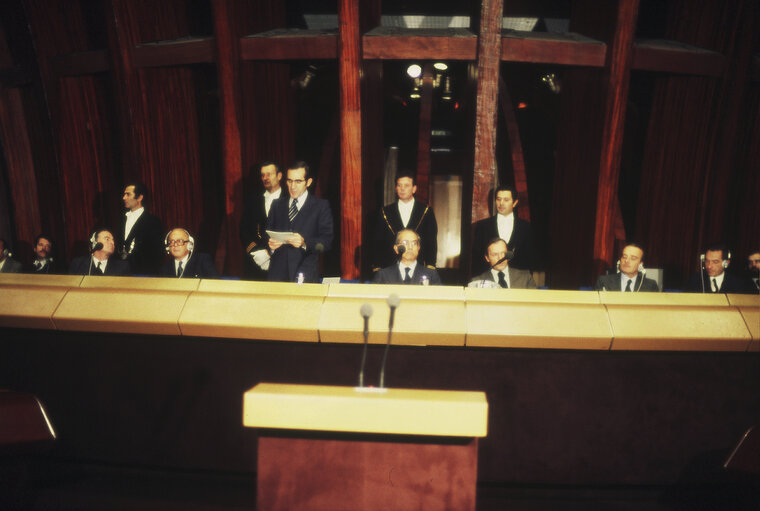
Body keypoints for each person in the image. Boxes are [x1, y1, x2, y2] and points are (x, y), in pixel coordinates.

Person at [265, 161, 333, 283]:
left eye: (298, 181)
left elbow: (326, 243)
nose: (293, 186)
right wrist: (271, 246)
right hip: (277, 277)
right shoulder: (277, 205)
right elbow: (266, 235)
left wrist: (305, 243)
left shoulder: (320, 206)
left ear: (308, 182)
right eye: (289, 181)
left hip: (305, 276)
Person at [371, 172, 437, 272]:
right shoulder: (385, 212)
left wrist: (430, 265)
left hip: (419, 267)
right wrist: (377, 266)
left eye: (406, 185)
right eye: (399, 185)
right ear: (395, 188)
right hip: (390, 268)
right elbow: (378, 241)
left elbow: (431, 241)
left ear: (414, 189)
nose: (402, 189)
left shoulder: (426, 211)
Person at [471, 185, 536, 277]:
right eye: (498, 199)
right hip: (489, 282)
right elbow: (477, 259)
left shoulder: (526, 227)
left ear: (515, 203)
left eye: (506, 200)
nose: (501, 203)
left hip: (517, 282)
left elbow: (530, 258)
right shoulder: (482, 226)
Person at [239, 161, 282, 280]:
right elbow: (244, 229)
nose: (265, 178)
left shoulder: (290, 199)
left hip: (283, 261)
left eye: (269, 174)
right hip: (257, 262)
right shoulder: (253, 200)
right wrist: (257, 251)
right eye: (263, 175)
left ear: (279, 176)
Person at [119, 182, 164, 275]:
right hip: (121, 272)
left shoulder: (152, 221)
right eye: (124, 194)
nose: (124, 198)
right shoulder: (120, 219)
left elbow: (156, 252)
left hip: (143, 273)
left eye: (128, 194)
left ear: (139, 197)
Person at [372, 229, 442, 285]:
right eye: (405, 243)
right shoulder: (383, 275)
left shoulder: (431, 275)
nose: (410, 247)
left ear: (418, 247)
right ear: (396, 248)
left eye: (414, 243)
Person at [686, 244, 754, 294]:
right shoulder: (694, 281)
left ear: (726, 263)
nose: (709, 266)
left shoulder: (739, 284)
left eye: (715, 262)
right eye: (707, 261)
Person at [469, 238, 536, 289]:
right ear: (487, 258)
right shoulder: (476, 282)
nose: (500, 258)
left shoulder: (525, 277)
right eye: (495, 254)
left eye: (503, 253)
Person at [593, 243, 660, 292]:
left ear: (640, 264)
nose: (627, 261)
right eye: (624, 257)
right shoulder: (604, 281)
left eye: (633, 258)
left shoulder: (650, 285)